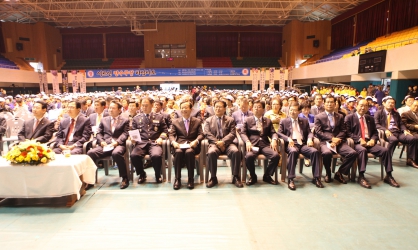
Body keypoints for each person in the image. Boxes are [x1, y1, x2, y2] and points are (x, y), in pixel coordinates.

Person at [345, 99, 397, 188]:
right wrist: (359, 139)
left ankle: (389, 175)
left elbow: (374, 132)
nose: (363, 107)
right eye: (361, 105)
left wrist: (373, 139)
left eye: (365, 106)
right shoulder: (349, 117)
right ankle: (361, 176)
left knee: (385, 150)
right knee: (362, 150)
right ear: (356, 106)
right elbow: (347, 132)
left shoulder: (370, 118)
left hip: (369, 142)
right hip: (357, 143)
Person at [278, 103, 323, 190]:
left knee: (314, 152)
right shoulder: (284, 121)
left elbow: (309, 132)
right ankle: (291, 179)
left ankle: (316, 178)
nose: (292, 112)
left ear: (299, 111)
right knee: (293, 151)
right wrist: (288, 139)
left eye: (295, 110)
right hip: (291, 143)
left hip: (302, 144)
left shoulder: (304, 121)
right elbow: (279, 133)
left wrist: (310, 139)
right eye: (291, 110)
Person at [314, 95, 358, 184]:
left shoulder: (340, 116)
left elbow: (343, 130)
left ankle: (340, 172)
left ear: (335, 104)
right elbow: (318, 132)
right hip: (325, 142)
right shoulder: (319, 117)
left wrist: (337, 139)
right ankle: (328, 173)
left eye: (331, 102)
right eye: (327, 102)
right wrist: (332, 139)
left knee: (353, 153)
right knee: (326, 153)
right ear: (324, 104)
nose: (329, 104)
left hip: (339, 141)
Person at [87, 101, 130, 189]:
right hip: (105, 144)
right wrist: (102, 141)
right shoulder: (104, 119)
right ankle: (90, 180)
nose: (110, 110)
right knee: (90, 153)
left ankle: (125, 178)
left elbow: (125, 134)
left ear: (119, 110)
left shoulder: (125, 120)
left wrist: (117, 142)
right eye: (109, 108)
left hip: (118, 145)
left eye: (113, 108)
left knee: (116, 153)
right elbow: (98, 133)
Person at [239, 100, 280, 186]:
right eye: (255, 107)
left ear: (263, 109)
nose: (256, 109)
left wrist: (274, 140)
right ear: (252, 109)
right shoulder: (248, 120)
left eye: (259, 107)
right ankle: (253, 176)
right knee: (249, 156)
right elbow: (242, 133)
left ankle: (267, 175)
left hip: (265, 144)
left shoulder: (268, 121)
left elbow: (273, 133)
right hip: (253, 144)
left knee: (276, 156)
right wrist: (247, 141)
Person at [204, 100, 242, 188]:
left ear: (225, 108)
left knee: (236, 151)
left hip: (228, 144)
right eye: (216, 106)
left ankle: (235, 177)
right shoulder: (208, 120)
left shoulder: (230, 120)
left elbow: (232, 133)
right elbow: (207, 133)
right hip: (214, 144)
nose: (217, 108)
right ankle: (213, 178)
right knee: (211, 152)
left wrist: (223, 142)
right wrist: (218, 142)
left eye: (220, 107)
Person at [130, 97, 168, 184]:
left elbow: (165, 131)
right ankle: (142, 174)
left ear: (151, 105)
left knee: (156, 155)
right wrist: (133, 139)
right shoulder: (136, 118)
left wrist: (161, 138)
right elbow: (134, 132)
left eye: (146, 105)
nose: (144, 107)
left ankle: (157, 174)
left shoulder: (159, 117)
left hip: (154, 143)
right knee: (134, 155)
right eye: (142, 105)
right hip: (141, 143)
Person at [375, 96, 418, 170]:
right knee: (394, 140)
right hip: (387, 132)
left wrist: (404, 130)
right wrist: (385, 129)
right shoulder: (379, 113)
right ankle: (387, 158)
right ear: (384, 103)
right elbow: (376, 124)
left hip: (398, 132)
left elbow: (401, 124)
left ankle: (410, 160)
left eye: (393, 103)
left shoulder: (396, 113)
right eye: (389, 102)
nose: (391, 104)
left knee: (412, 139)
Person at [169, 101, 204, 190]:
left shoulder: (197, 121)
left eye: (186, 107)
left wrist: (196, 141)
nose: (184, 109)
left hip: (192, 145)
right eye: (182, 108)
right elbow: (171, 135)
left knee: (189, 152)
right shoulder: (175, 121)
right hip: (179, 145)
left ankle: (190, 179)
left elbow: (201, 134)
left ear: (191, 109)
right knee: (178, 152)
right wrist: (173, 142)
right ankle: (177, 179)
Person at [401, 99, 418, 168]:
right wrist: (415, 127)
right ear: (411, 105)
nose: (416, 107)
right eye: (415, 106)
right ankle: (411, 160)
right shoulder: (405, 114)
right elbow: (404, 124)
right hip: (412, 132)